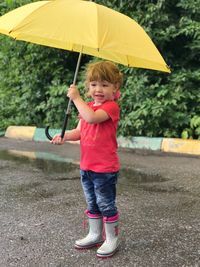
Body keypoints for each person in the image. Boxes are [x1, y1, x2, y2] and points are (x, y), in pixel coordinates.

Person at [51, 61, 123, 258]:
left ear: (115, 87)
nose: (98, 89)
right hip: (87, 167)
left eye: (105, 85)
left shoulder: (111, 107)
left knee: (106, 204)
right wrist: (64, 136)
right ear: (88, 86)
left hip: (105, 169)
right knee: (92, 203)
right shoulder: (88, 106)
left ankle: (111, 238)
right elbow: (80, 130)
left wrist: (75, 98)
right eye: (93, 84)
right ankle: (94, 234)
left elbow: (91, 118)